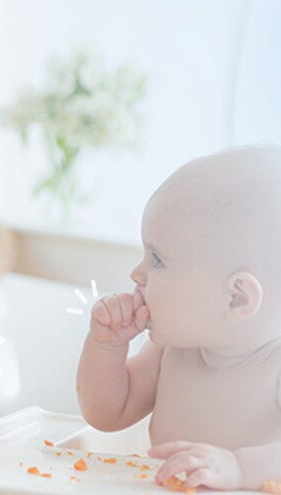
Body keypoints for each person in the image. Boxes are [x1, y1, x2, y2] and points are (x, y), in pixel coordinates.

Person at [76, 146, 281, 491]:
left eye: (157, 260)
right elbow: (107, 414)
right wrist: (106, 349)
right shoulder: (170, 352)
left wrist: (237, 467)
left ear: (237, 297)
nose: (137, 273)